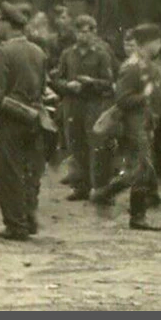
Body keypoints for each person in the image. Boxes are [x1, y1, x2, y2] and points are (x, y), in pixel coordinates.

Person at [0, 2, 48, 240]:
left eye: (0, 22)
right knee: (27, 171)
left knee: (7, 173)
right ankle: (28, 219)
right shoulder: (38, 52)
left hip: (10, 118)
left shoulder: (4, 51)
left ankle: (15, 225)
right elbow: (42, 87)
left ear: (7, 24)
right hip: (33, 117)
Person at [92, 24, 161, 231]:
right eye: (158, 41)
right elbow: (122, 100)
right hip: (133, 126)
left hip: (144, 124)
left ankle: (135, 214)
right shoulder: (132, 67)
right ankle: (108, 195)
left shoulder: (146, 65)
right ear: (149, 42)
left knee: (142, 169)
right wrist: (146, 96)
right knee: (141, 169)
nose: (160, 45)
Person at [54, 14, 117, 201]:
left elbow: (108, 83)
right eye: (80, 32)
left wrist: (91, 82)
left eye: (87, 32)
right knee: (76, 145)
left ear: (94, 33)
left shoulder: (101, 55)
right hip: (72, 105)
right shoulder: (67, 54)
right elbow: (57, 79)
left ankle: (102, 190)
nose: (83, 36)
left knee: (97, 146)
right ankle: (80, 187)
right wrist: (67, 85)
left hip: (93, 104)